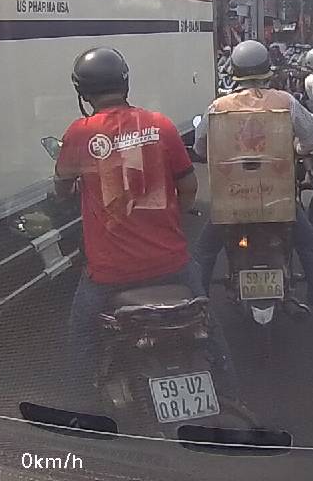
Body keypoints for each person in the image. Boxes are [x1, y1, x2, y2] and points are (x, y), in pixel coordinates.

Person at [55, 48, 233, 406]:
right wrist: (173, 214)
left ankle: (79, 413)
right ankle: (231, 394)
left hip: (109, 274)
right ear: (125, 82)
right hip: (172, 264)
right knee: (209, 326)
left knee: (81, 336)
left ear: (83, 92)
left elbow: (62, 188)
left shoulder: (79, 133)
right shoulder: (160, 125)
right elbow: (188, 186)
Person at [193, 40, 313, 325]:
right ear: (267, 70)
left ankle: (196, 314)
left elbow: (200, 148)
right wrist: (297, 149)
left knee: (204, 251)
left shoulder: (218, 106)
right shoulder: (286, 102)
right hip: (279, 199)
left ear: (235, 72)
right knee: (309, 244)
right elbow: (312, 138)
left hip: (231, 202)